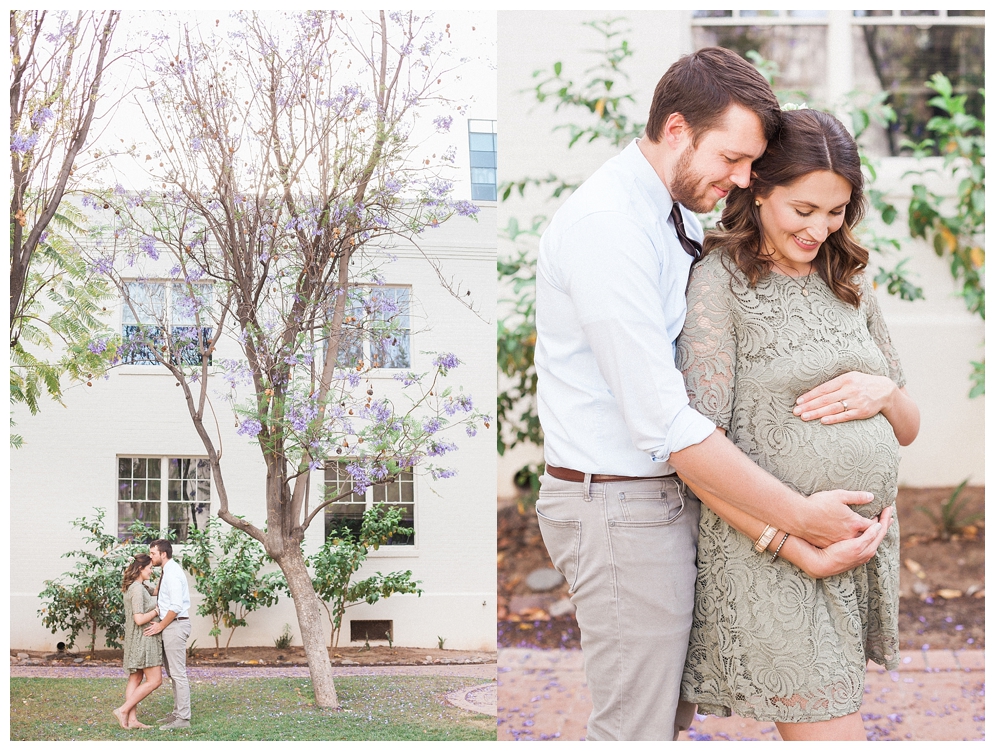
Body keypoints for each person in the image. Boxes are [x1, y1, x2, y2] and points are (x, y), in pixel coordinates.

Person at [534, 47, 891, 742]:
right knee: (633, 729)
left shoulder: (668, 214)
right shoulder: (607, 228)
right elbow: (666, 421)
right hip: (615, 502)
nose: (740, 179)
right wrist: (800, 523)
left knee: (662, 720)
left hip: (657, 501)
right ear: (675, 130)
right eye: (731, 159)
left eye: (751, 165)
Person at [676, 107, 919, 740]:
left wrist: (884, 393)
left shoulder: (849, 280)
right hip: (776, 558)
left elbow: (910, 425)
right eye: (803, 210)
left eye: (835, 212)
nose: (820, 228)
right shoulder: (718, 284)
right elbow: (699, 451)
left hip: (855, 554)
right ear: (758, 190)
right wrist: (789, 543)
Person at [145, 539, 192, 730]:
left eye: (153, 554)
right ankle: (177, 714)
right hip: (170, 625)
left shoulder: (172, 573)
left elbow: (176, 606)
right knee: (173, 673)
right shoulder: (167, 571)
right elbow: (158, 592)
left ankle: (183, 719)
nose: (151, 557)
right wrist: (139, 584)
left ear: (163, 554)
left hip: (175, 625)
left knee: (178, 674)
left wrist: (159, 626)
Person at [113, 554, 163, 729]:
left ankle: (132, 720)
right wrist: (156, 612)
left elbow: (156, 591)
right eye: (150, 568)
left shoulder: (140, 586)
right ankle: (123, 710)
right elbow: (139, 619)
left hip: (139, 638)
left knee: (135, 678)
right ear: (141, 569)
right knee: (155, 680)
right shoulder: (136, 589)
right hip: (143, 638)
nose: (152, 571)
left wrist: (167, 571)